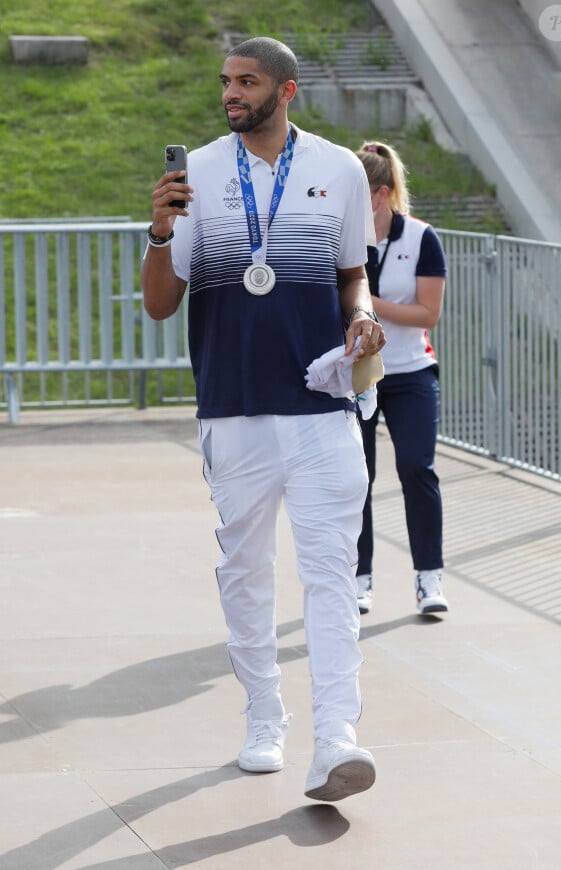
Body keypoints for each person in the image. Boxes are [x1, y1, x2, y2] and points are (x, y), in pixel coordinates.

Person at [141, 37, 386, 802]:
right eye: (225, 82)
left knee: (331, 575)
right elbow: (159, 302)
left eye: (246, 82)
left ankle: (337, 740)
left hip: (321, 405)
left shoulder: (341, 170)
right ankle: (263, 720)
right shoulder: (200, 172)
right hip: (234, 407)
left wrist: (365, 321)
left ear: (286, 91)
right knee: (246, 573)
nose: (230, 94)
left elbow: (353, 280)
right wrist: (157, 231)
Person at [353, 140, 448, 617]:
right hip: (358, 372)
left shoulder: (421, 238)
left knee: (416, 467)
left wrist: (367, 303)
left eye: (358, 189)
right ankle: (360, 579)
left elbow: (428, 312)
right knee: (357, 478)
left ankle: (428, 578)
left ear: (382, 193)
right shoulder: (343, 233)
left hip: (411, 371)